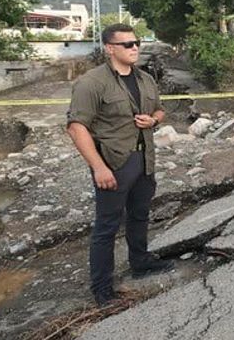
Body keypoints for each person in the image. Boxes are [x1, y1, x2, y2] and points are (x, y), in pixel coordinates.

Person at [66, 23, 174, 306]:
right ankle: (102, 289)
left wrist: (155, 120)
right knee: (107, 226)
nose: (135, 47)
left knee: (139, 215)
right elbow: (77, 128)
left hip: (144, 160)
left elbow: (160, 109)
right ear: (110, 48)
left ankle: (140, 262)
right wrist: (99, 167)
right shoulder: (92, 83)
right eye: (127, 44)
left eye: (136, 42)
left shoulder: (145, 80)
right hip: (114, 162)